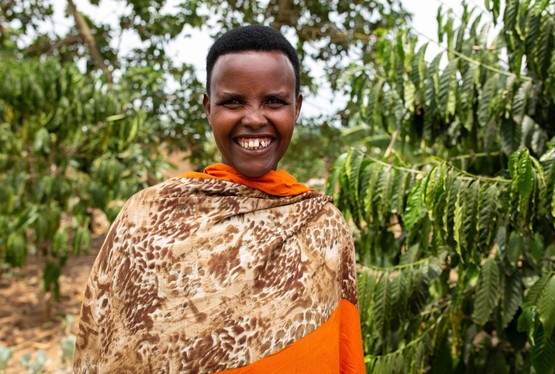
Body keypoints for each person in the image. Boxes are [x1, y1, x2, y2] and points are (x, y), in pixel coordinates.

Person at [73, 25, 365, 373]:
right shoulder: (147, 219)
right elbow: (113, 348)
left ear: (297, 107)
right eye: (233, 102)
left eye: (274, 101)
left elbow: (337, 350)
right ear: (208, 108)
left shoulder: (322, 224)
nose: (255, 118)